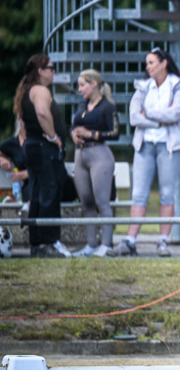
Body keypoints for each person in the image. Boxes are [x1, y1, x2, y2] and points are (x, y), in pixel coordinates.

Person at [114, 48, 180, 257]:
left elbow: (175, 114)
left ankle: (163, 241)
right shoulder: (143, 86)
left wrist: (147, 114)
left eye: (151, 62)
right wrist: (160, 118)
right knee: (138, 194)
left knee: (167, 193)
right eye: (147, 63)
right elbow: (133, 116)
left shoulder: (178, 85)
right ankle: (130, 241)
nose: (147, 67)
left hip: (169, 145)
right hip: (145, 145)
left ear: (163, 63)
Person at [14, 53, 71, 258]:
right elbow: (42, 113)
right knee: (49, 191)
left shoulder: (28, 90)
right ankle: (48, 241)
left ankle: (37, 243)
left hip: (34, 146)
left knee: (38, 193)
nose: (53, 72)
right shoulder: (39, 90)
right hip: (42, 147)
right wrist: (53, 135)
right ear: (40, 71)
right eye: (51, 68)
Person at [70, 69, 120, 257]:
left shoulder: (107, 106)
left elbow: (115, 133)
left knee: (102, 201)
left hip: (100, 154)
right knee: (87, 202)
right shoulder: (82, 105)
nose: (80, 88)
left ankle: (106, 244)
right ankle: (91, 244)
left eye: (82, 84)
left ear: (93, 84)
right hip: (81, 154)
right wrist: (73, 135)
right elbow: (74, 125)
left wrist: (92, 134)